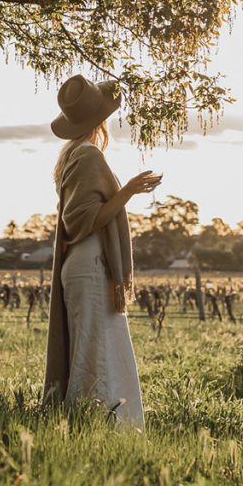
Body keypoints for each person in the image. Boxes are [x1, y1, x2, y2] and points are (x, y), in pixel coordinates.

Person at [42, 74, 161, 430]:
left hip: (83, 266)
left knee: (92, 348)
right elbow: (83, 220)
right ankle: (103, 425)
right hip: (90, 265)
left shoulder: (72, 156)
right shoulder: (89, 154)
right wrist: (127, 192)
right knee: (99, 349)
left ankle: (87, 422)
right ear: (100, 120)